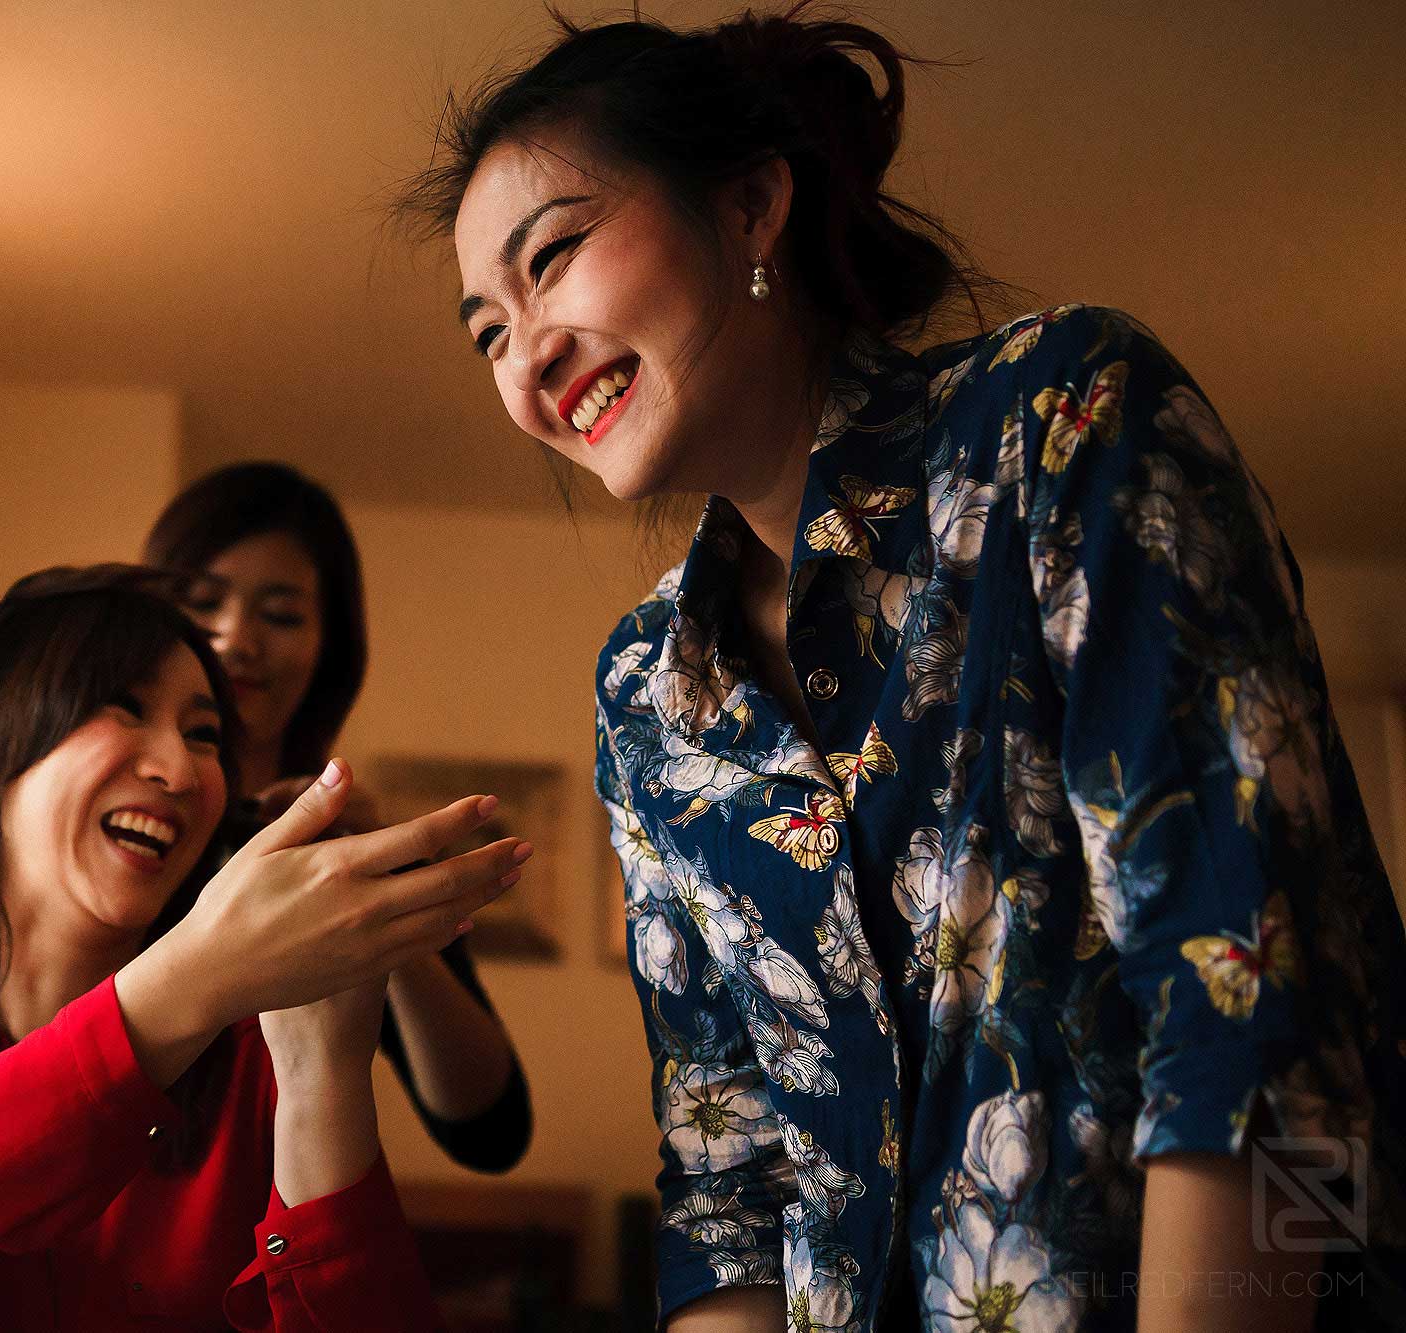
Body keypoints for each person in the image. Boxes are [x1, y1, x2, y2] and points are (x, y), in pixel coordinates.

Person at [401, 9, 1404, 1331]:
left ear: (750, 205)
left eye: (552, 257)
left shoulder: (1058, 423)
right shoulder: (646, 693)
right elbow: (724, 1189)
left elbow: (1254, 1013)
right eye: (486, 331)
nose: (527, 354)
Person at [0, 565, 533, 1330]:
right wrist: (190, 979)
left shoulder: (256, 1075)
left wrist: (322, 1074)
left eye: (204, 734)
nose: (180, 769)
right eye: (121, 707)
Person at [0, 462, 531, 1173]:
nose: (236, 637)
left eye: (281, 614)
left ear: (329, 648)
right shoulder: (28, 782)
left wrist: (376, 892)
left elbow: (489, 1129)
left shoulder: (325, 852)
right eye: (204, 601)